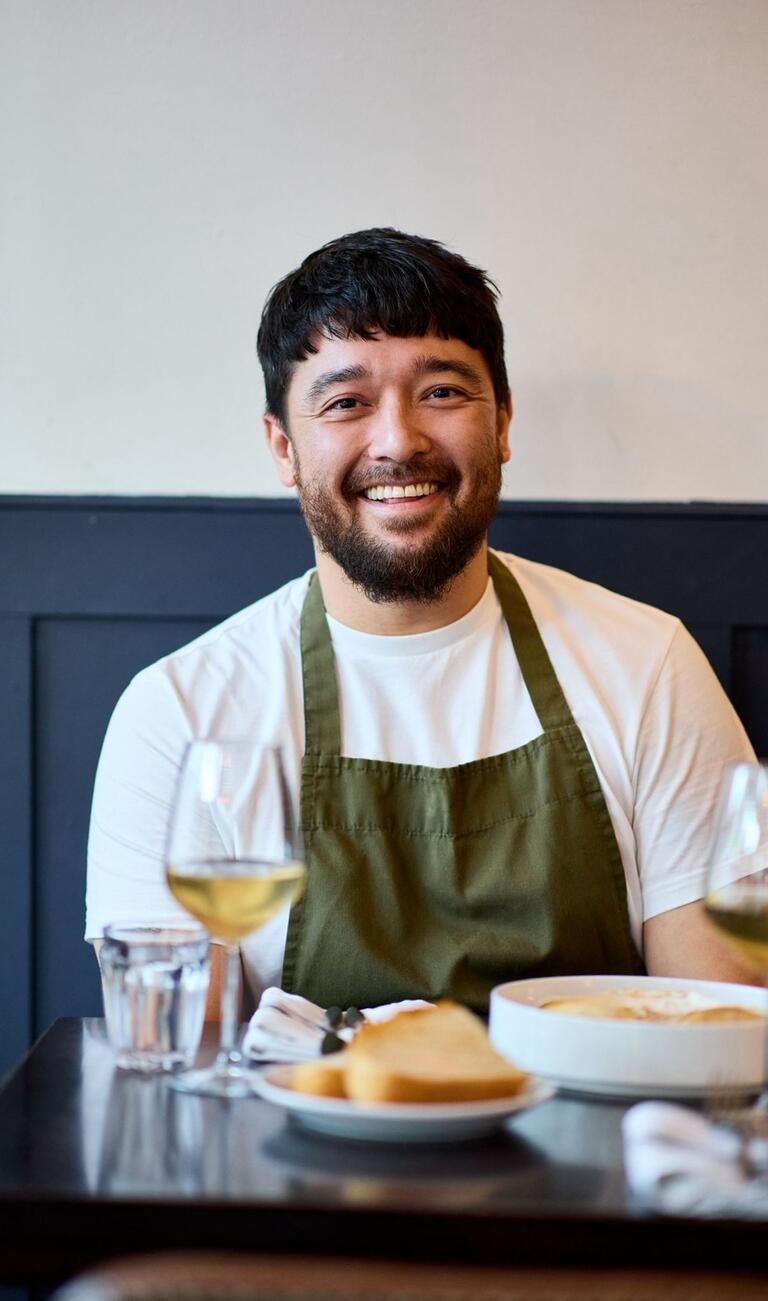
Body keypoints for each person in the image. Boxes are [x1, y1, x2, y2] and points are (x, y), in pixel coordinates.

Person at [86, 227, 756, 1016]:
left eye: (441, 391)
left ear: (503, 422)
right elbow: (182, 1066)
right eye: (346, 402)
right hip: (298, 1141)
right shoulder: (180, 713)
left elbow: (718, 1026)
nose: (399, 441)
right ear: (283, 448)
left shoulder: (649, 666)